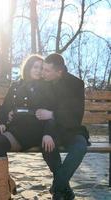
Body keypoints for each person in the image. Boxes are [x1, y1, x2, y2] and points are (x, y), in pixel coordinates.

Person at [0, 54, 57, 200]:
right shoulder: (16, 86)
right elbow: (4, 108)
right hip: (15, 129)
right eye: (35, 67)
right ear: (28, 68)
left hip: (34, 131)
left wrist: (48, 132)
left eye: (41, 68)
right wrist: (2, 123)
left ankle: (3, 193)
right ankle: (8, 182)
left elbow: (50, 114)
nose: (39, 70)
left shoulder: (47, 87)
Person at [35, 53, 90, 200]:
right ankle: (62, 190)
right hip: (50, 130)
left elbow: (76, 115)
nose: (43, 73)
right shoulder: (43, 83)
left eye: (47, 70)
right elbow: (41, 110)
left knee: (80, 146)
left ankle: (58, 187)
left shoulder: (76, 84)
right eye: (43, 69)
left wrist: (52, 114)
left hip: (72, 130)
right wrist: (47, 132)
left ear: (59, 72)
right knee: (47, 146)